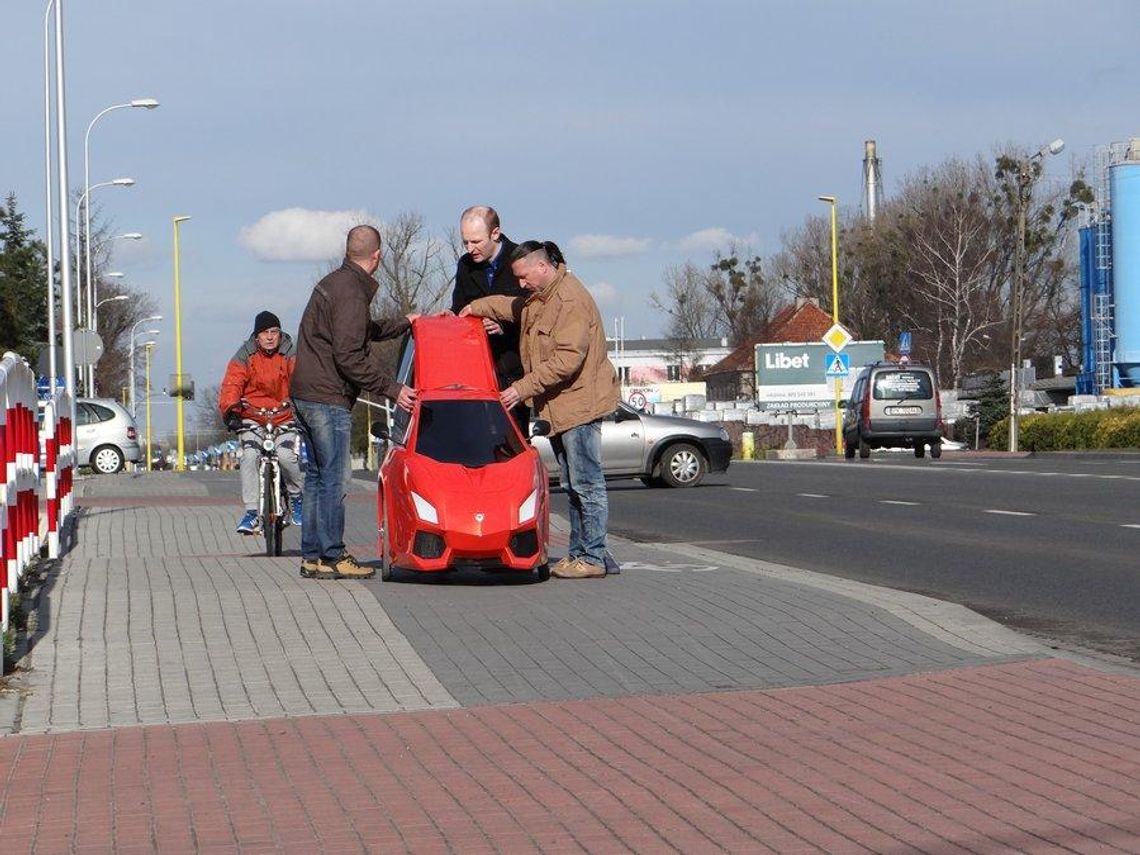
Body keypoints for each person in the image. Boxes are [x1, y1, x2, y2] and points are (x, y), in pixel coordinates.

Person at [460, 240, 619, 578]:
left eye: (523, 277)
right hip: (561, 408)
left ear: (542, 268)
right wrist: (474, 308)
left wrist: (521, 388)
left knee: (587, 484)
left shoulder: (569, 300)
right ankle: (579, 553)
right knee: (574, 485)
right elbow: (511, 306)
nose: (521, 285)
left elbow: (566, 360)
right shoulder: (540, 298)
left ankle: (592, 557)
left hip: (580, 406)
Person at [290, 225, 418, 580]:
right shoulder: (350, 293)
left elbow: (358, 331)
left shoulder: (336, 283)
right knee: (333, 479)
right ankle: (334, 554)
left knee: (316, 478)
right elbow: (349, 356)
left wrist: (401, 324)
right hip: (327, 397)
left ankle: (313, 555)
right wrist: (392, 389)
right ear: (377, 256)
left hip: (305, 392)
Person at [218, 311, 303, 534]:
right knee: (249, 457)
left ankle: (296, 498)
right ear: (256, 336)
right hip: (252, 416)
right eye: (265, 332)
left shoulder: (290, 354)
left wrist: (304, 408)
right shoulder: (245, 356)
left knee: (286, 456)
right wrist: (231, 411)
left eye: (274, 332)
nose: (269, 337)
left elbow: (302, 381)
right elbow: (232, 384)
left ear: (279, 333)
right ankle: (252, 511)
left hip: (284, 415)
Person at [451, 206, 529, 435]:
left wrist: (503, 326)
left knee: (515, 439)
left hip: (514, 371)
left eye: (476, 241)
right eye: (465, 242)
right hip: (477, 373)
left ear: (495, 233)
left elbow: (534, 313)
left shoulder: (522, 260)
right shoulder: (465, 265)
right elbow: (459, 307)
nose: (469, 249)